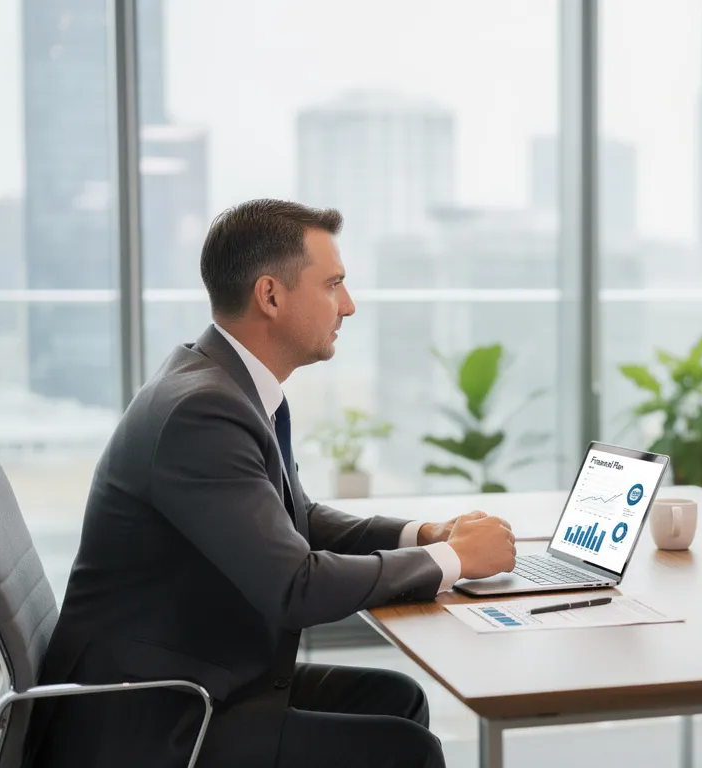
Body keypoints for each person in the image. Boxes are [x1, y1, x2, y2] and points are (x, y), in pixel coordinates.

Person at [26, 199, 518, 768]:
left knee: (397, 698)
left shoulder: (222, 382)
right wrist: (451, 559)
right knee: (405, 751)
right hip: (150, 717)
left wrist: (423, 533)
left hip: (191, 674)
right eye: (333, 285)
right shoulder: (202, 411)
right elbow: (295, 588)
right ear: (271, 295)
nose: (349, 306)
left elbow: (298, 521)